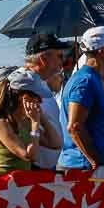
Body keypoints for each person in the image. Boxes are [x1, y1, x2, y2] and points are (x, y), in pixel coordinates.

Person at [61, 26, 104, 177]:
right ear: (101, 51)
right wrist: (96, 162)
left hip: (85, 165)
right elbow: (75, 127)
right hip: (81, 168)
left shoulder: (92, 79)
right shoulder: (85, 81)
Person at [0, 69, 61, 174]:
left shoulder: (25, 121)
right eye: (38, 98)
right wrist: (35, 124)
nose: (40, 102)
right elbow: (30, 156)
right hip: (5, 186)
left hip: (21, 184)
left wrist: (42, 117)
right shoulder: (2, 124)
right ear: (25, 98)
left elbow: (55, 144)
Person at [19, 33, 70, 170]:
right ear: (43, 58)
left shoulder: (39, 83)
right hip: (31, 170)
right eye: (59, 56)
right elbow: (22, 128)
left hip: (47, 168)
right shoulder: (24, 85)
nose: (62, 62)